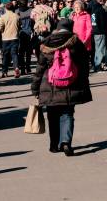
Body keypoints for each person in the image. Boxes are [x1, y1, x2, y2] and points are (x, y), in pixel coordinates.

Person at [31, 18, 92, 156]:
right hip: (71, 83)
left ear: (57, 28)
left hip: (50, 84)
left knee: (52, 115)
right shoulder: (76, 42)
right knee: (67, 113)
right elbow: (84, 66)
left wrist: (35, 88)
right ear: (71, 28)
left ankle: (54, 145)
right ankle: (65, 142)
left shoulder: (47, 43)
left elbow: (39, 68)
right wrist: (84, 83)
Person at [89, 0, 107, 71]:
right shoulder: (99, 8)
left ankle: (97, 65)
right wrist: (105, 30)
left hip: (95, 31)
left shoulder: (93, 7)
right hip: (100, 31)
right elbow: (102, 22)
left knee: (98, 49)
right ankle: (98, 66)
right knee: (100, 50)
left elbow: (93, 20)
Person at [0, 1, 21, 78]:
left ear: (5, 8)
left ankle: (4, 72)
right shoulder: (17, 16)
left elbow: (0, 27)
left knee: (5, 56)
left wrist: (2, 31)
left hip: (5, 38)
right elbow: (19, 25)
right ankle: (16, 67)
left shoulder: (3, 17)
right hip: (15, 37)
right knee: (14, 54)